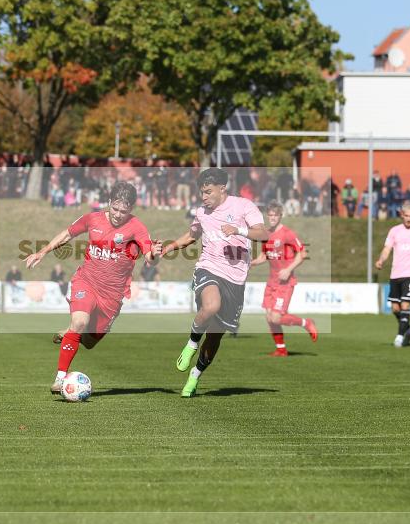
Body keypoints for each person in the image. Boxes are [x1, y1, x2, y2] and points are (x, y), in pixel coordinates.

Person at [24, 181, 161, 394]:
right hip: (86, 281)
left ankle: (69, 332)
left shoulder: (137, 227)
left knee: (88, 342)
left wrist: (156, 253)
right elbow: (68, 234)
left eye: (123, 211)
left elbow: (150, 257)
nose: (117, 214)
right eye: (114, 209)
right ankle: (60, 378)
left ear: (131, 209)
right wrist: (42, 252)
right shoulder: (93, 219)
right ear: (108, 203)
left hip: (113, 295)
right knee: (80, 321)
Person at [161, 168, 269, 397]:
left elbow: (263, 234)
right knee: (211, 306)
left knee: (215, 336)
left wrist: (238, 229)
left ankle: (194, 377)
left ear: (222, 188)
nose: (204, 197)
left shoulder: (244, 206)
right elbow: (192, 236)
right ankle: (191, 345)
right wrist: (170, 247)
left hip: (236, 278)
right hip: (208, 267)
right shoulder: (201, 212)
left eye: (208, 192)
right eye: (201, 193)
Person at [249, 201, 318, 357]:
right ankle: (281, 349)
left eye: (275, 215)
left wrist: (288, 269)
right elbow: (264, 256)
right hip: (271, 282)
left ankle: (306, 323)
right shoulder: (266, 234)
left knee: (277, 317)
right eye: (270, 215)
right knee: (269, 317)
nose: (272, 218)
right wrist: (251, 263)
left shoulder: (288, 233)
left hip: (285, 283)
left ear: (281, 216)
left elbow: (302, 254)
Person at [374, 201, 410, 347]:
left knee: (405, 305)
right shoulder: (394, 231)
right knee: (395, 308)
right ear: (401, 215)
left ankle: (400, 337)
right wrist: (381, 259)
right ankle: (409, 330)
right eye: (406, 216)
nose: (408, 219)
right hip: (395, 274)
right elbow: (387, 249)